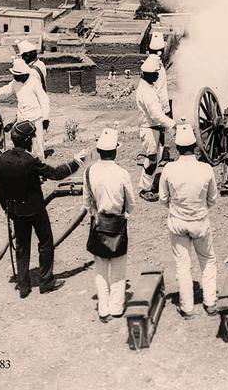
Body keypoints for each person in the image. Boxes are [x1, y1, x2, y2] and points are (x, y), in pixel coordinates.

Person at [0, 121, 86, 298]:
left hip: (15, 210)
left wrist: (7, 209)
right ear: (27, 140)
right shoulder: (29, 161)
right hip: (35, 210)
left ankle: (23, 286)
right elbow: (55, 174)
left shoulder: (3, 159)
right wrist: (76, 162)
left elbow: (0, 189)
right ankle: (46, 281)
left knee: (22, 246)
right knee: (45, 243)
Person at [159, 123, 218, 320]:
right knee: (208, 260)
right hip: (200, 221)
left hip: (177, 222)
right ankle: (210, 302)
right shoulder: (206, 169)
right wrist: (198, 209)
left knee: (182, 265)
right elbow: (212, 199)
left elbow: (163, 199)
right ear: (195, 145)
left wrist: (176, 210)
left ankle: (187, 308)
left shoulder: (169, 169)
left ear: (177, 147)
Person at [82, 127, 135, 323]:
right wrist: (123, 215)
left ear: (99, 151)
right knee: (119, 270)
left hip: (98, 224)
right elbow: (131, 204)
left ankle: (103, 309)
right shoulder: (122, 173)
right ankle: (116, 307)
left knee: (100, 270)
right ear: (115, 151)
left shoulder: (89, 172)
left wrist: (96, 213)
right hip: (117, 224)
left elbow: (86, 202)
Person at [0, 57, 50, 161]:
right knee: (22, 147)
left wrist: (45, 118)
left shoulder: (34, 82)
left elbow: (44, 100)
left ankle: (41, 170)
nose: (14, 76)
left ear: (23, 74)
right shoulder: (15, 83)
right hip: (22, 120)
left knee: (38, 146)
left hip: (35, 119)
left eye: (16, 75)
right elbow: (4, 91)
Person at [135, 54, 174, 202]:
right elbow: (156, 115)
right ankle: (145, 189)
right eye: (155, 74)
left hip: (154, 128)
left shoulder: (148, 87)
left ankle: (146, 185)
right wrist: (172, 124)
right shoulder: (146, 92)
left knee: (155, 158)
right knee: (152, 160)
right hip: (149, 129)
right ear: (147, 74)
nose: (157, 76)